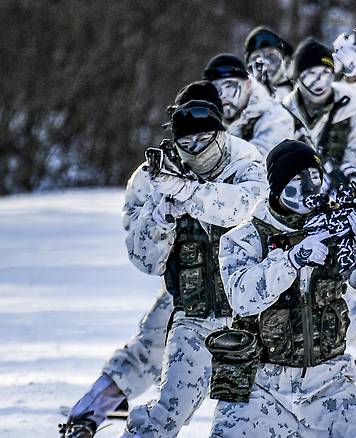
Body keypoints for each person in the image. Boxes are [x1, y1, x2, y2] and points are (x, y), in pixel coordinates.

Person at [58, 81, 228, 438]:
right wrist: (165, 208)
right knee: (151, 346)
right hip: (188, 291)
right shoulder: (149, 177)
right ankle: (90, 410)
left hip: (245, 287)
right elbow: (143, 251)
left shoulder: (243, 161)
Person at [208, 140, 356, 437]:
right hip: (261, 386)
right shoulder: (245, 237)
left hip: (329, 383)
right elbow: (242, 299)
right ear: (277, 186)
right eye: (297, 179)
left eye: (314, 176)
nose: (309, 186)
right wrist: (291, 260)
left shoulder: (337, 226)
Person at [120, 99, 267, 437]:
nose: (197, 150)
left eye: (204, 140)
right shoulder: (167, 180)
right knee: (167, 415)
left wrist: (189, 192)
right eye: (187, 144)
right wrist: (163, 213)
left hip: (253, 324)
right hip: (195, 319)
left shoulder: (245, 162)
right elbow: (145, 260)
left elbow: (243, 209)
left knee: (251, 423)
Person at [283, 37, 356, 201]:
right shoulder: (281, 114)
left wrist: (345, 196)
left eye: (325, 73)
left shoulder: (353, 111)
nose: (319, 81)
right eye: (311, 74)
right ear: (299, 77)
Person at [202, 53, 294, 158]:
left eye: (229, 86)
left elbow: (257, 164)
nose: (222, 95)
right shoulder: (203, 118)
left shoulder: (277, 118)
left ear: (248, 85)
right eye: (215, 88)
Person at [243, 26, 294, 102]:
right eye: (256, 58)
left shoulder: (300, 96)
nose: (265, 62)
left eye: (271, 56)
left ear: (285, 62)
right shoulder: (242, 101)